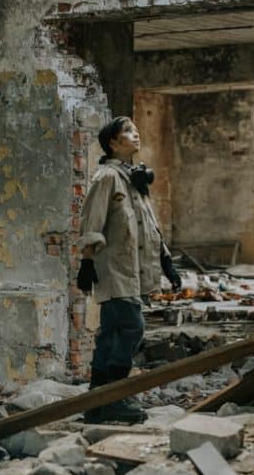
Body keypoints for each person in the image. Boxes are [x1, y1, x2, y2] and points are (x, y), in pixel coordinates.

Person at [76, 116, 181, 423]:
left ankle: (96, 402)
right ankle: (115, 398)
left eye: (136, 131)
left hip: (133, 269)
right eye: (128, 132)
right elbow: (91, 221)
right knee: (131, 328)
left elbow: (150, 226)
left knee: (110, 335)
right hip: (114, 268)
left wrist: (166, 263)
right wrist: (86, 262)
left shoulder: (134, 179)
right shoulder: (107, 177)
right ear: (113, 142)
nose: (136, 135)